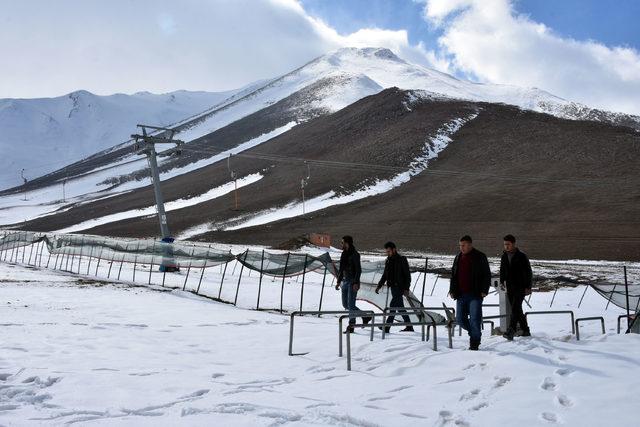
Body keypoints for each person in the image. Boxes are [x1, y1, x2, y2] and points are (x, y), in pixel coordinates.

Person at [449, 235, 491, 351]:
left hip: (475, 294)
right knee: (460, 320)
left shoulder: (480, 256)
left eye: (463, 245)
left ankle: (474, 343)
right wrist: (452, 290)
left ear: (470, 245)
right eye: (460, 245)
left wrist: (484, 290)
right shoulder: (458, 257)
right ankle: (474, 333)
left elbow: (487, 275)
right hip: (461, 294)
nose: (461, 248)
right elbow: (454, 275)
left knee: (474, 319)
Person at [375, 242, 414, 333]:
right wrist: (379, 285)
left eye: (389, 251)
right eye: (387, 252)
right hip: (392, 287)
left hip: (399, 287)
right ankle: (409, 326)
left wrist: (406, 288)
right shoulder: (388, 260)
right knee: (400, 307)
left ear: (394, 249)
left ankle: (387, 326)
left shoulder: (402, 259)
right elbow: (385, 275)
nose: (388, 253)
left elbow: (407, 275)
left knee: (392, 306)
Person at [500, 234, 532, 340]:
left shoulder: (522, 256)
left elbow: (528, 272)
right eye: (505, 244)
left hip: (521, 287)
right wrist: (501, 282)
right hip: (509, 287)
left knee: (515, 308)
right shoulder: (504, 256)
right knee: (518, 309)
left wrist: (528, 287)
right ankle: (525, 330)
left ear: (513, 244)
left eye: (508, 244)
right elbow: (502, 271)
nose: (506, 246)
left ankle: (511, 330)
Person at [335, 235, 370, 333]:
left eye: (342, 242)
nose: (341, 244)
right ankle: (365, 316)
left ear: (347, 243)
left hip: (352, 282)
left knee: (351, 304)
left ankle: (352, 325)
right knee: (345, 304)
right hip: (345, 281)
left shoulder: (355, 254)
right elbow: (341, 269)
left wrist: (355, 282)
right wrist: (339, 281)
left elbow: (358, 270)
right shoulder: (344, 254)